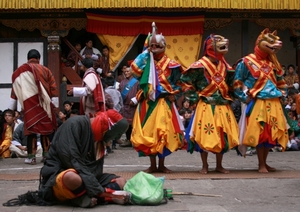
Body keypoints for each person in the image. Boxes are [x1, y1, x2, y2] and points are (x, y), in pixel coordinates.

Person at [39, 110, 129, 208]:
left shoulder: (99, 140)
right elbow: (71, 160)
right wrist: (97, 188)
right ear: (106, 129)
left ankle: (94, 196)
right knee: (72, 178)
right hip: (63, 172)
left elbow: (97, 170)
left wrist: (94, 184)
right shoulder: (74, 124)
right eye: (117, 134)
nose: (116, 138)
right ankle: (101, 195)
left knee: (121, 181)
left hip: (88, 175)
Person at [130, 22, 185, 173]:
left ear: (164, 46)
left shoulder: (172, 65)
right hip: (147, 102)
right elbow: (134, 70)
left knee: (163, 133)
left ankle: (161, 164)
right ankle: (152, 165)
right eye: (152, 46)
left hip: (164, 102)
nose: (155, 49)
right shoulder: (146, 61)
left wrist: (175, 94)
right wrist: (145, 53)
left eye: (157, 46)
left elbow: (181, 83)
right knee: (149, 133)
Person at [181, 34, 239, 174]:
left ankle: (219, 165)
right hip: (206, 105)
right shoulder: (199, 66)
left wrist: (237, 95)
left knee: (221, 135)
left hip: (223, 105)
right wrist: (193, 97)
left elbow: (232, 84)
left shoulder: (225, 66)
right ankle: (204, 165)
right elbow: (185, 82)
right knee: (204, 135)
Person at [234, 28, 288, 173]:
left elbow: (281, 81)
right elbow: (237, 83)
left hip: (274, 101)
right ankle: (260, 164)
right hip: (258, 102)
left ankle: (265, 162)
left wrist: (284, 93)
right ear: (260, 42)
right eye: (270, 42)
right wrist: (244, 96)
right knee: (261, 133)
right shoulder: (246, 62)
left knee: (271, 134)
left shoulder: (272, 63)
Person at [8, 49, 59, 164]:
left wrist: (11, 108)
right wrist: (55, 106)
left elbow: (15, 89)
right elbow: (53, 88)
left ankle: (31, 157)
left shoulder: (20, 71)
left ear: (28, 58)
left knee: (31, 131)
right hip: (44, 105)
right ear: (39, 59)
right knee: (46, 130)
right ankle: (46, 156)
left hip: (28, 106)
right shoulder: (46, 70)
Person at [119, 66, 139, 148]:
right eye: (125, 71)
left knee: (134, 124)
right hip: (125, 106)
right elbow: (119, 94)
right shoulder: (122, 82)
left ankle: (134, 140)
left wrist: (134, 100)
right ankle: (128, 139)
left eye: (128, 71)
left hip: (133, 106)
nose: (126, 73)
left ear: (132, 72)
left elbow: (139, 94)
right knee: (127, 124)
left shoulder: (137, 82)